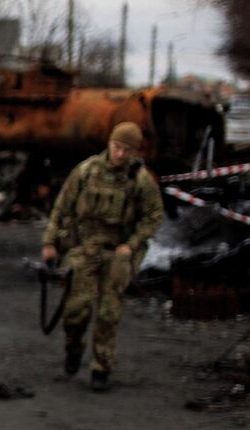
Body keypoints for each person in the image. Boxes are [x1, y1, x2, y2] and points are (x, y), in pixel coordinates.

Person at [42, 122, 166, 391]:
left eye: (127, 150)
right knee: (76, 310)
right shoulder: (86, 172)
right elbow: (62, 206)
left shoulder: (140, 180)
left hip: (117, 252)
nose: (121, 154)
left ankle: (101, 366)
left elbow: (154, 217)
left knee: (109, 313)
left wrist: (131, 245)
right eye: (117, 147)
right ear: (109, 144)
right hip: (84, 249)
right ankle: (73, 347)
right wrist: (50, 241)